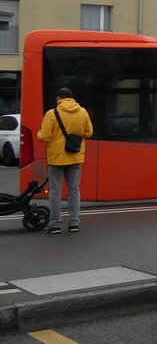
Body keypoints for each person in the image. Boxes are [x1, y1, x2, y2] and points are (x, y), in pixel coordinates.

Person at [36, 87, 93, 234]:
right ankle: (74, 223)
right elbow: (88, 133)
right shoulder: (83, 112)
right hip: (75, 156)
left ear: (58, 98)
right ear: (72, 98)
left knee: (55, 191)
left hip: (57, 158)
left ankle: (55, 224)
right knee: (74, 190)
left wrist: (39, 133)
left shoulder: (52, 113)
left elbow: (45, 136)